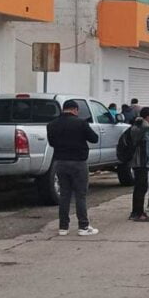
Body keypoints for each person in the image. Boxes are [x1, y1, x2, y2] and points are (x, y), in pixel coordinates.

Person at [46, 100, 99, 236]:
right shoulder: (81, 123)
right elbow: (94, 138)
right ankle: (83, 226)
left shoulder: (52, 124)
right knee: (80, 195)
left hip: (60, 162)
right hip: (78, 162)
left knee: (64, 195)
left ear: (64, 109)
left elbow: (51, 142)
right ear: (75, 109)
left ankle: (63, 227)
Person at [126, 107, 149, 223]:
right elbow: (146, 146)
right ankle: (138, 213)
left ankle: (136, 212)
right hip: (141, 161)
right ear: (147, 117)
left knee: (139, 187)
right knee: (141, 187)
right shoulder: (144, 127)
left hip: (136, 160)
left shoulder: (136, 124)